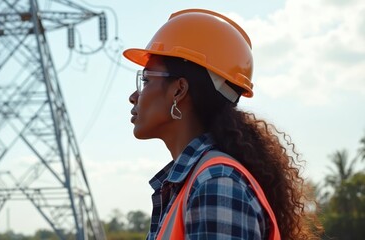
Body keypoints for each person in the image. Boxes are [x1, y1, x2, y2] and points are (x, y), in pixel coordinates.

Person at [123, 9, 319, 240]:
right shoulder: (197, 183)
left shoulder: (216, 184)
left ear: (179, 90)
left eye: (146, 80)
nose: (134, 96)